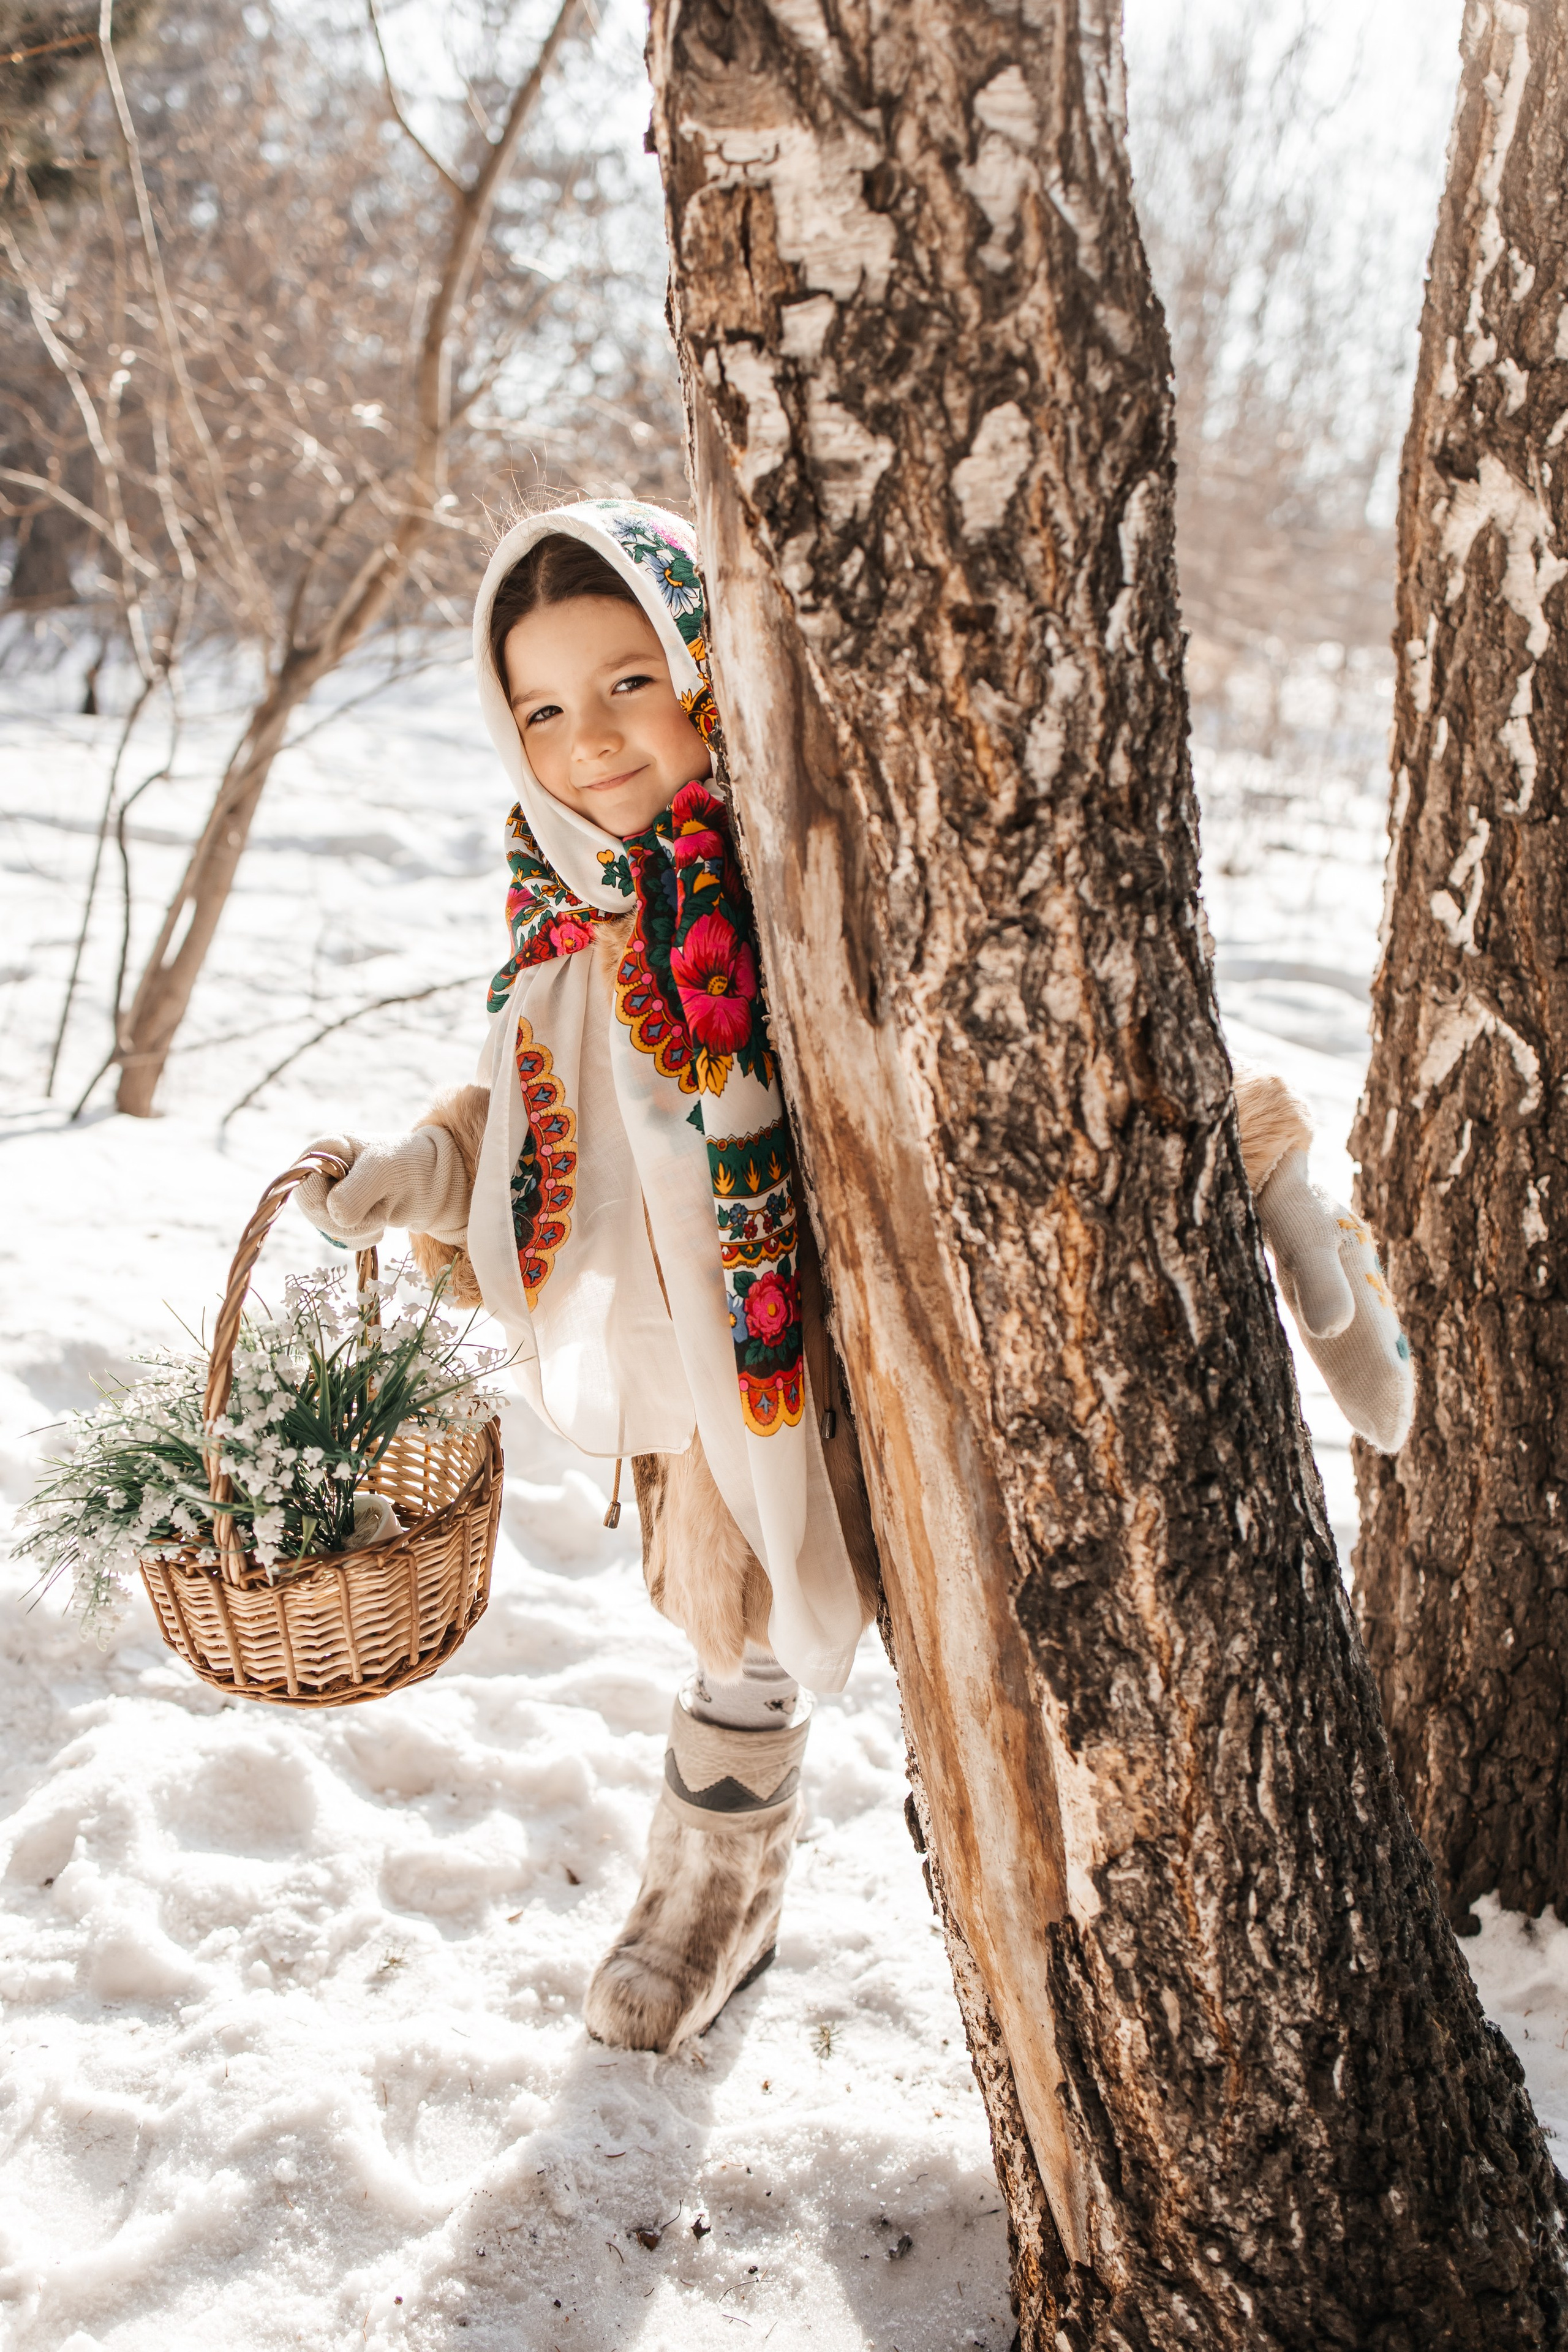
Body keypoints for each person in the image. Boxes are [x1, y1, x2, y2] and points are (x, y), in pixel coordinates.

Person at [298, 498, 1412, 2054]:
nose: (588, 740)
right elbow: (535, 1116)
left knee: (1028, 1623)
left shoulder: (809, 862)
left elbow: (1030, 1044)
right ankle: (711, 1893)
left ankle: (1123, 1928)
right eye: (539, 709)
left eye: (627, 682)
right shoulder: (565, 912)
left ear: (706, 667)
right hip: (719, 1349)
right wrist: (420, 1172)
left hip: (901, 1319)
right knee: (739, 1624)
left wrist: (1248, 1159)